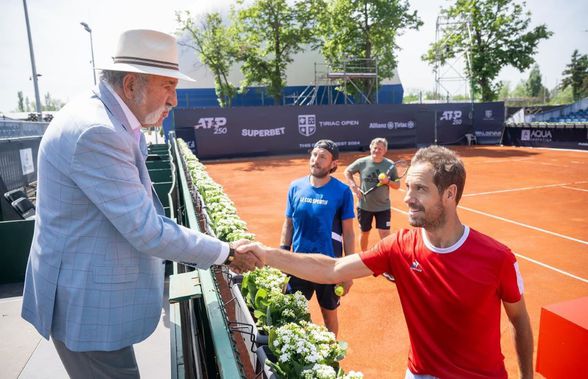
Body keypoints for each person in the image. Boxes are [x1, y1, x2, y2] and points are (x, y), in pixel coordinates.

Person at [21, 29, 260, 379]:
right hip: (86, 310)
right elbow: (147, 230)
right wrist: (225, 252)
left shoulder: (105, 116)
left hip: (88, 297)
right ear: (131, 85)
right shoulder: (97, 130)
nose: (174, 100)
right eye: (168, 87)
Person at [239, 145, 534, 379]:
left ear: (449, 193)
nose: (406, 198)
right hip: (419, 374)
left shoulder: (498, 258)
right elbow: (331, 269)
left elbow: (519, 319)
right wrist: (266, 253)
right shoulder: (399, 246)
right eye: (407, 188)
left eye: (420, 189)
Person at [279, 139, 356, 336]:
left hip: (328, 266)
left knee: (328, 314)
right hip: (298, 263)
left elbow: (348, 232)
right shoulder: (295, 187)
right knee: (292, 313)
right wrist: (282, 257)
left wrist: (348, 271)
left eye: (323, 157)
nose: (316, 160)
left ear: (333, 164)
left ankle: (331, 358)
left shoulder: (342, 192)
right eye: (314, 155)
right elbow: (288, 224)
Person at [344, 137, 400, 252]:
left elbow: (397, 185)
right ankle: (364, 256)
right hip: (364, 206)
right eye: (375, 148)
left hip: (383, 207)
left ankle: (387, 258)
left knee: (385, 234)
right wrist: (354, 186)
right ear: (370, 148)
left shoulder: (390, 165)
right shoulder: (362, 162)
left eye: (380, 148)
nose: (377, 150)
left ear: (385, 151)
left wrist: (387, 182)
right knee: (364, 232)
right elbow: (347, 171)